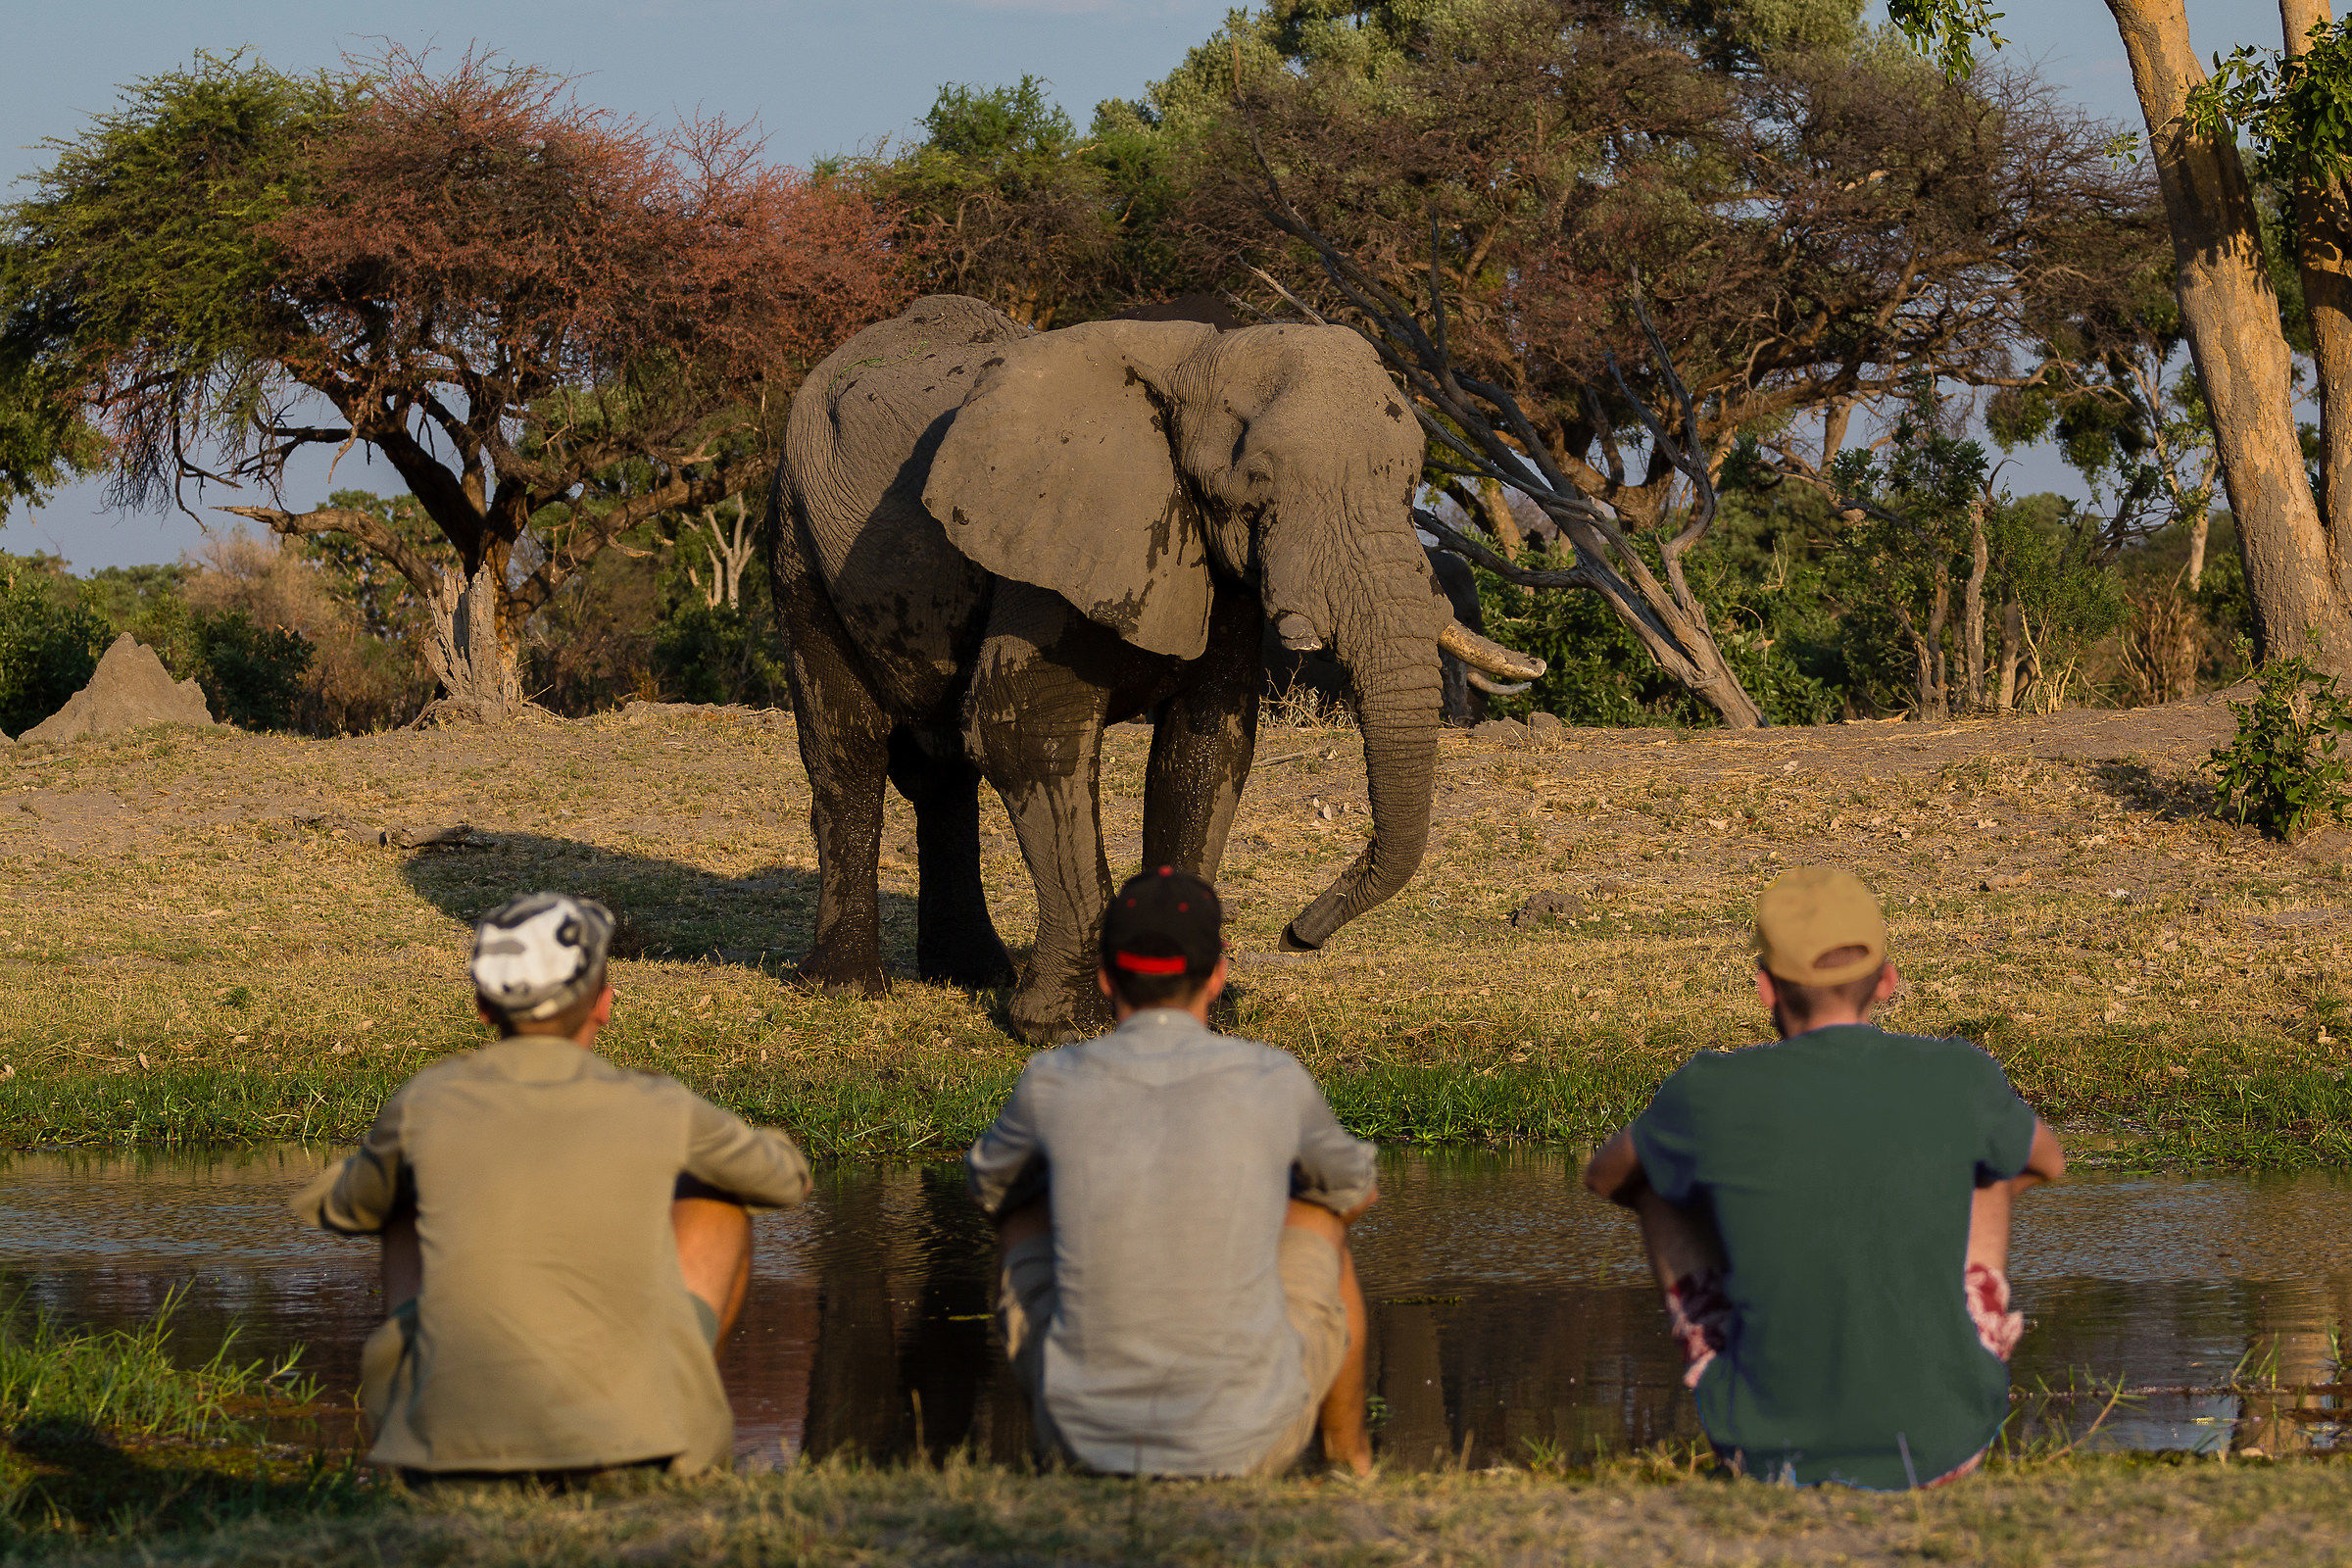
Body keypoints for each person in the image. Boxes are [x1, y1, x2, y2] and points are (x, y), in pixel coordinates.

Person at [293, 891, 810, 1479]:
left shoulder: (427, 1104)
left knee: (400, 1206)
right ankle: (667, 1410)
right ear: (604, 1004)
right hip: (642, 1455)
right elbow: (784, 1180)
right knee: (719, 1198)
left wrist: (381, 1174)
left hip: (446, 1459)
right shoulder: (660, 1106)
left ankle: (427, 1425)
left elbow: (339, 1208)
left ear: (484, 1009)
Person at [1582, 866, 2065, 1490]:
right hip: (1948, 1439)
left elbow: (1607, 1175)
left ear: (1765, 989)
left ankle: (1724, 1356)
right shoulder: (1957, 1076)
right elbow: (2046, 1160)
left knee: (1655, 1185)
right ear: (1887, 981)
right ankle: (1963, 1349)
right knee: (1989, 1170)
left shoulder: (1709, 1091)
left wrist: (1725, 1209)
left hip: (1759, 1446)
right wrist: (1928, 1192)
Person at [965, 866, 1379, 1477]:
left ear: (1105, 976)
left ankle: (1073, 1434)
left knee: (1020, 1212)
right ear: (1218, 975)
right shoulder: (1273, 1078)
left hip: (1082, 1443)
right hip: (1248, 1447)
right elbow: (1357, 1191)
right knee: (1320, 1214)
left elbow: (987, 1190)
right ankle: (1350, 1460)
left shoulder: (1050, 1080)